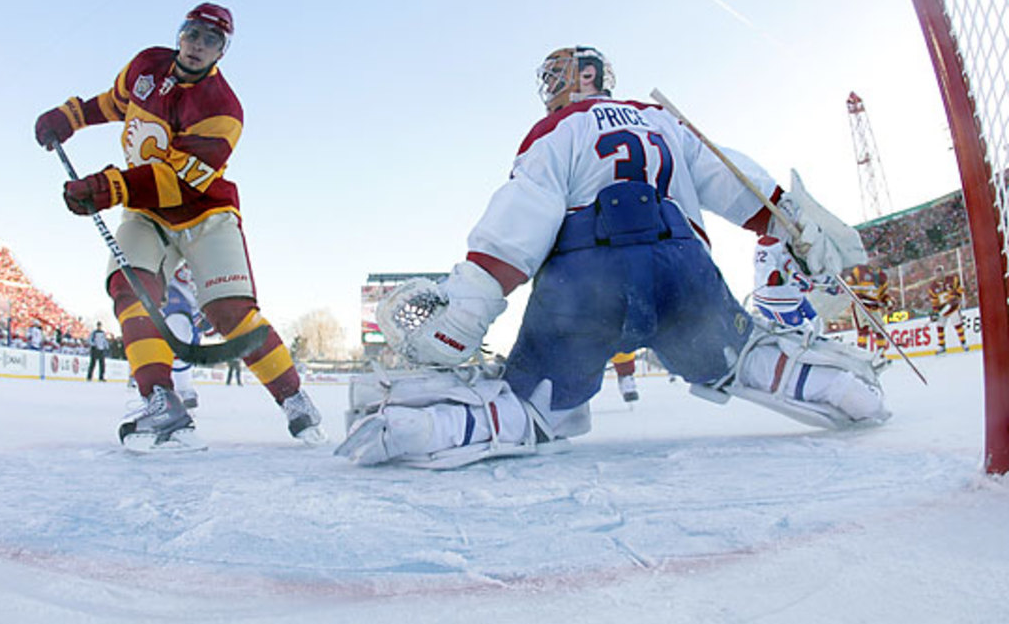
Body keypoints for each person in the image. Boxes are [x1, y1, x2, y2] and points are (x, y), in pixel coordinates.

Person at [337, 46, 888, 468]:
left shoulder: (555, 131)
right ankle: (837, 390)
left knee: (534, 403)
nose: (550, 86)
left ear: (586, 76)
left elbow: (517, 227)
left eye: (558, 74)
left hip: (586, 280)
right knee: (739, 355)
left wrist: (465, 314)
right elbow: (736, 182)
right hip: (682, 270)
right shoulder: (661, 119)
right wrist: (790, 221)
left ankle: (425, 432)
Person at [34, 1, 326, 449]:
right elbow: (116, 103)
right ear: (180, 33)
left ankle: (293, 398)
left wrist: (107, 186)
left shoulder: (223, 109)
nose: (198, 45)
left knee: (230, 314)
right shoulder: (146, 64)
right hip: (146, 211)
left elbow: (175, 182)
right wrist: (71, 116)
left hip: (202, 213)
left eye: (212, 40)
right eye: (193, 34)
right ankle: (161, 400)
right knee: (131, 289)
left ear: (222, 52)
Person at [162, 263, 202, 408]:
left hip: (196, 306)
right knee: (178, 327)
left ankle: (183, 387)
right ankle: (179, 388)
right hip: (168, 292)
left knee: (185, 342)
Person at [842, 263, 892, 354]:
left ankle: (881, 355)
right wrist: (856, 293)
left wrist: (887, 301)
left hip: (874, 307)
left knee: (880, 331)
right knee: (864, 330)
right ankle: (862, 354)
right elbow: (849, 285)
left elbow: (883, 293)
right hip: (861, 305)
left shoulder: (882, 276)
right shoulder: (859, 271)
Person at [927, 264, 968, 354]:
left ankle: (963, 343)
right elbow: (934, 301)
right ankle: (942, 345)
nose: (939, 275)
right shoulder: (933, 287)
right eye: (937, 273)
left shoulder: (952, 279)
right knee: (940, 326)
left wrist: (957, 297)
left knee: (957, 324)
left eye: (941, 273)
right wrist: (935, 312)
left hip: (953, 307)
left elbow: (961, 289)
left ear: (943, 272)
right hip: (942, 310)